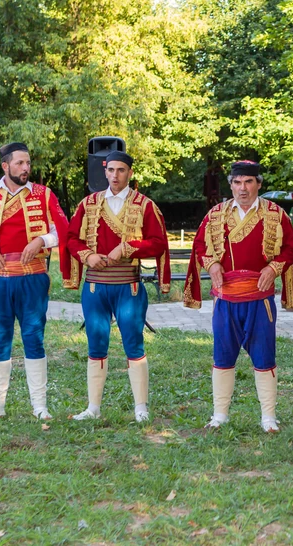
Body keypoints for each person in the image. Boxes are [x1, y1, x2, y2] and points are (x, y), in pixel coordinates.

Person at [0, 142, 71, 423]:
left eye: (28, 163)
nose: (25, 168)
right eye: (19, 163)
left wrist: (41, 240)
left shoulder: (44, 194)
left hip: (32, 278)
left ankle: (40, 406)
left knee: (34, 338)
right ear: (5, 166)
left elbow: (62, 230)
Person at [185, 160, 293, 433]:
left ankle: (268, 417)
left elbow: (290, 248)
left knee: (264, 355)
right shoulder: (215, 214)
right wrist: (212, 264)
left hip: (259, 299)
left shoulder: (276, 214)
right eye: (237, 183)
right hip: (225, 298)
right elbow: (200, 245)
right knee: (222, 355)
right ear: (231, 185)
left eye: (248, 182)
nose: (242, 188)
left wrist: (273, 268)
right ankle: (220, 415)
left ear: (258, 184)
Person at [65, 151, 170, 423]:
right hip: (95, 286)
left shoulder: (145, 205)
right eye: (111, 170)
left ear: (130, 173)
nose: (115, 175)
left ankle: (141, 407)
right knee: (95, 343)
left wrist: (127, 248)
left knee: (133, 343)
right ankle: (93, 408)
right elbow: (71, 239)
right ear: (105, 171)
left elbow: (158, 243)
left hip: (128, 286)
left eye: (121, 170)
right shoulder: (88, 204)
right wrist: (88, 256)